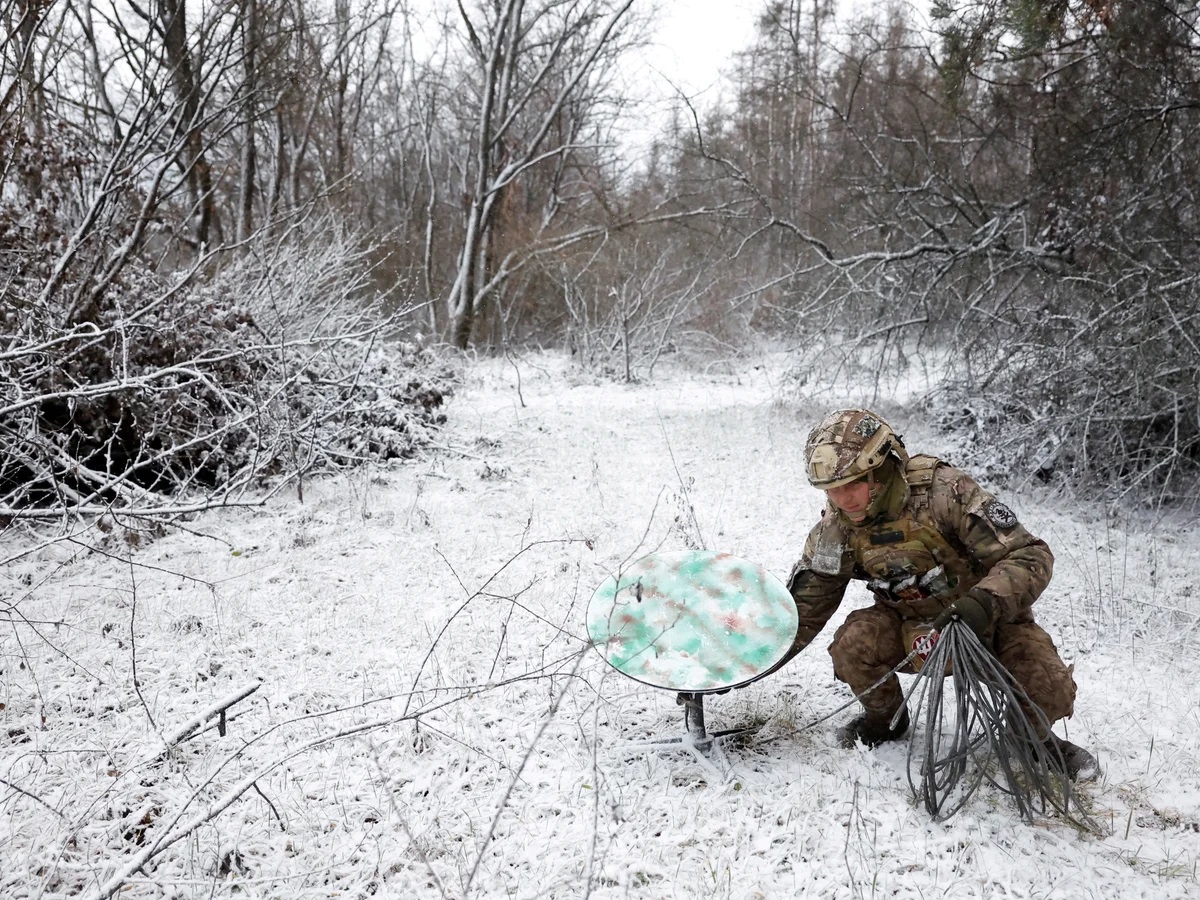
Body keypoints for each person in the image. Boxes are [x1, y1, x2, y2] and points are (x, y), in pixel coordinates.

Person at [782, 408, 1098, 781]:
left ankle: (1031, 739)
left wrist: (983, 603)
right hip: (910, 629)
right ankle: (885, 721)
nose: (842, 499)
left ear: (882, 469)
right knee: (853, 645)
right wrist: (744, 664)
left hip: (987, 624)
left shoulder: (944, 493)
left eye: (853, 484)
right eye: (832, 490)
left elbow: (1030, 554)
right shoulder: (837, 526)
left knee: (1048, 686)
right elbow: (806, 606)